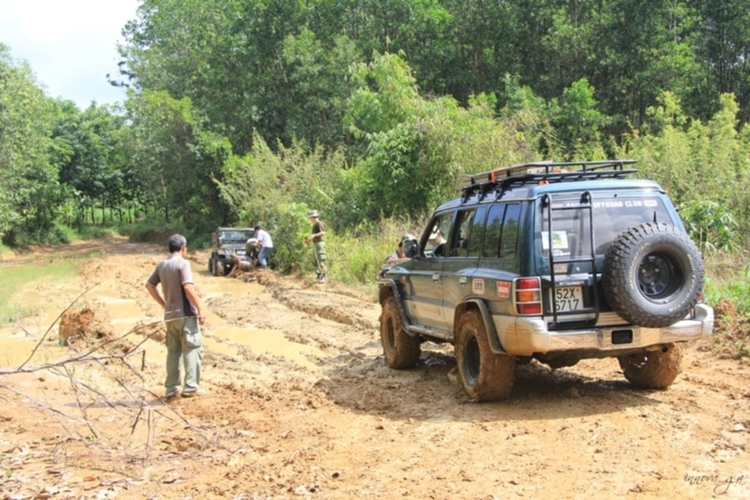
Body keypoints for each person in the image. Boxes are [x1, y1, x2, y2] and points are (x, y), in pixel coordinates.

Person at [145, 234, 206, 399]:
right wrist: (200, 309)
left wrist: (164, 304)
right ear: (183, 248)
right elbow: (188, 287)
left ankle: (171, 388)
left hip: (170, 316)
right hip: (185, 315)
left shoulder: (162, 265)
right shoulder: (183, 263)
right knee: (192, 349)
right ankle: (190, 387)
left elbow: (150, 286)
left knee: (173, 351)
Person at [304, 209, 327, 282]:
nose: (310, 218)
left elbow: (323, 233)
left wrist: (314, 235)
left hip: (319, 243)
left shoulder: (318, 223)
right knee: (316, 261)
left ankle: (323, 276)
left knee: (321, 260)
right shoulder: (314, 224)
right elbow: (314, 236)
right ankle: (318, 276)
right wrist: (309, 240)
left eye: (310, 217)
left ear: (312, 217)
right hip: (315, 244)